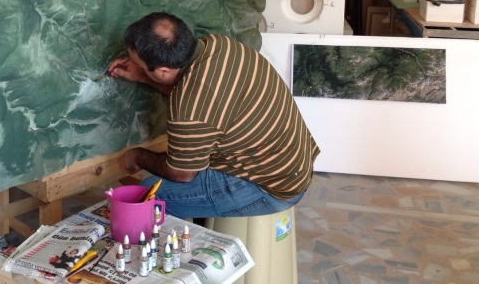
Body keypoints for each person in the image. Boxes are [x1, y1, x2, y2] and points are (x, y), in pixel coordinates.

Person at [106, 12, 320, 218]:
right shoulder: (219, 44)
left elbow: (181, 173)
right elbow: (198, 93)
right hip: (293, 163)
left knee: (146, 196)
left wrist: (139, 157)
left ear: (163, 71)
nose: (136, 67)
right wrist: (144, 76)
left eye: (140, 65)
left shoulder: (190, 110)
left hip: (270, 187)